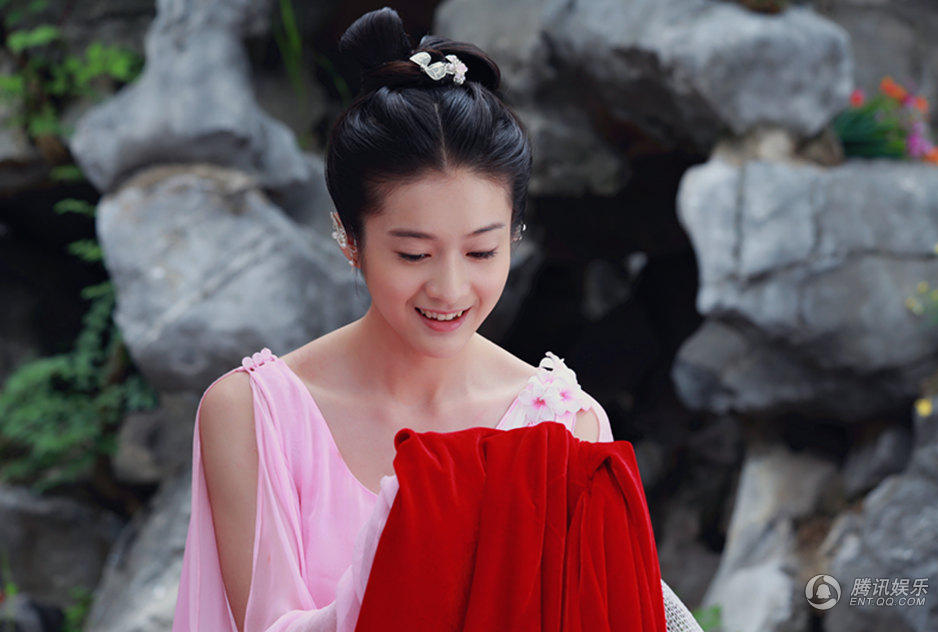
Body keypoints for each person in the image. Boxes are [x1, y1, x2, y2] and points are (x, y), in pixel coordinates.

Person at [172, 7, 621, 631]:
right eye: (413, 254)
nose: (450, 288)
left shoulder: (564, 424)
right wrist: (403, 547)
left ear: (515, 234)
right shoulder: (256, 416)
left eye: (482, 251)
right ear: (349, 238)